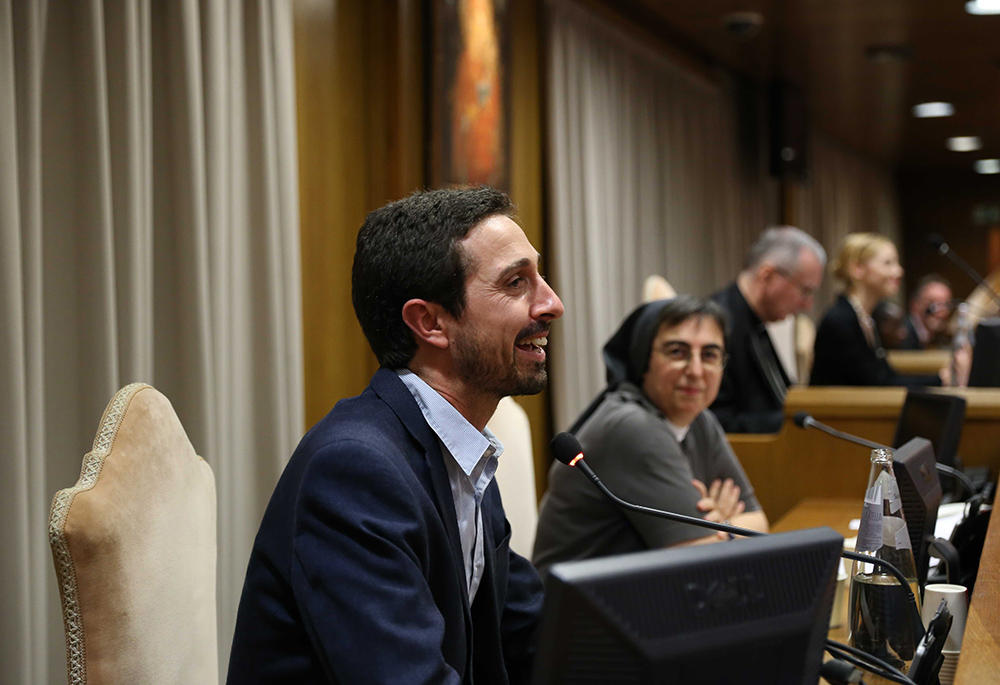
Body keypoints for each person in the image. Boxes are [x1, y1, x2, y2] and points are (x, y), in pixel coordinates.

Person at [228, 187, 563, 684]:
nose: (552, 302)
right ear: (430, 322)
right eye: (516, 282)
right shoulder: (353, 471)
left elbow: (537, 639)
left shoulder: (464, 451)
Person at [532, 296, 769, 579]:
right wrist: (727, 530)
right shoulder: (632, 426)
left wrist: (721, 525)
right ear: (644, 358)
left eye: (709, 355)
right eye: (677, 352)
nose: (695, 371)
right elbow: (699, 560)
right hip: (579, 613)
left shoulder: (701, 420)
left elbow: (759, 523)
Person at [710, 227, 826, 433]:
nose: (807, 305)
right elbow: (718, 423)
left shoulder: (752, 320)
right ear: (767, 276)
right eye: (805, 291)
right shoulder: (716, 326)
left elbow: (782, 399)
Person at [810, 233, 946, 387]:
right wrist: (941, 379)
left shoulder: (865, 317)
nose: (899, 272)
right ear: (857, 268)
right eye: (888, 263)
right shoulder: (840, 320)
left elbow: (884, 375)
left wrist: (940, 379)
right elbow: (876, 383)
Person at [901, 274, 954, 350]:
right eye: (932, 303)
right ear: (914, 305)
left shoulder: (938, 338)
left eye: (945, 305)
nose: (939, 312)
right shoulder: (902, 334)